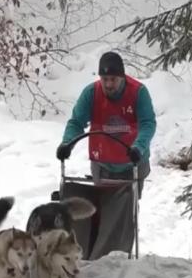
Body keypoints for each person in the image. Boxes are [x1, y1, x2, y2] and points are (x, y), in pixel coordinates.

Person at [56, 51, 156, 260]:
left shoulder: (138, 92)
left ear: (122, 77)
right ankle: (96, 252)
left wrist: (139, 147)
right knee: (103, 207)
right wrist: (67, 143)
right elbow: (76, 122)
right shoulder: (91, 94)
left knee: (123, 210)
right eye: (105, 79)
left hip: (133, 163)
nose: (109, 84)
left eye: (113, 79)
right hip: (103, 163)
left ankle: (118, 254)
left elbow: (148, 124)